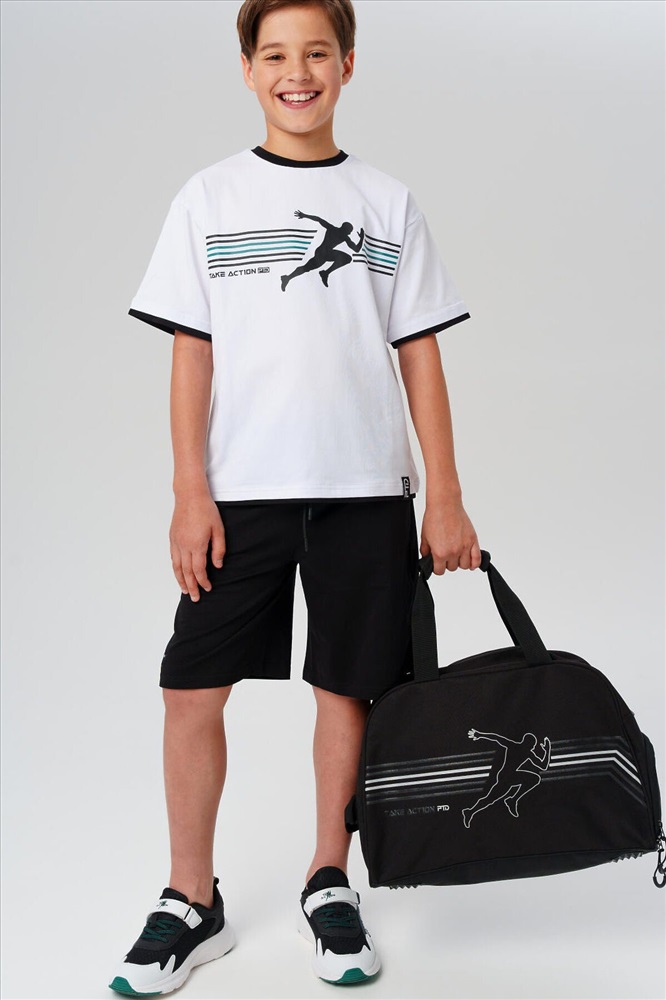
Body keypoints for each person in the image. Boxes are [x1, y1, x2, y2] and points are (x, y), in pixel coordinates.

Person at [109, 0, 482, 992]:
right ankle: (191, 898)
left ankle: (329, 879)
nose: (297, 72)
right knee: (191, 685)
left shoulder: (388, 202)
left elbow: (420, 353)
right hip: (242, 495)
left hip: (365, 490)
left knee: (348, 687)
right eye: (275, 54)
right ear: (247, 69)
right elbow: (192, 353)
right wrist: (190, 490)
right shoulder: (209, 197)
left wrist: (445, 495)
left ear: (349, 64)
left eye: (317, 51)